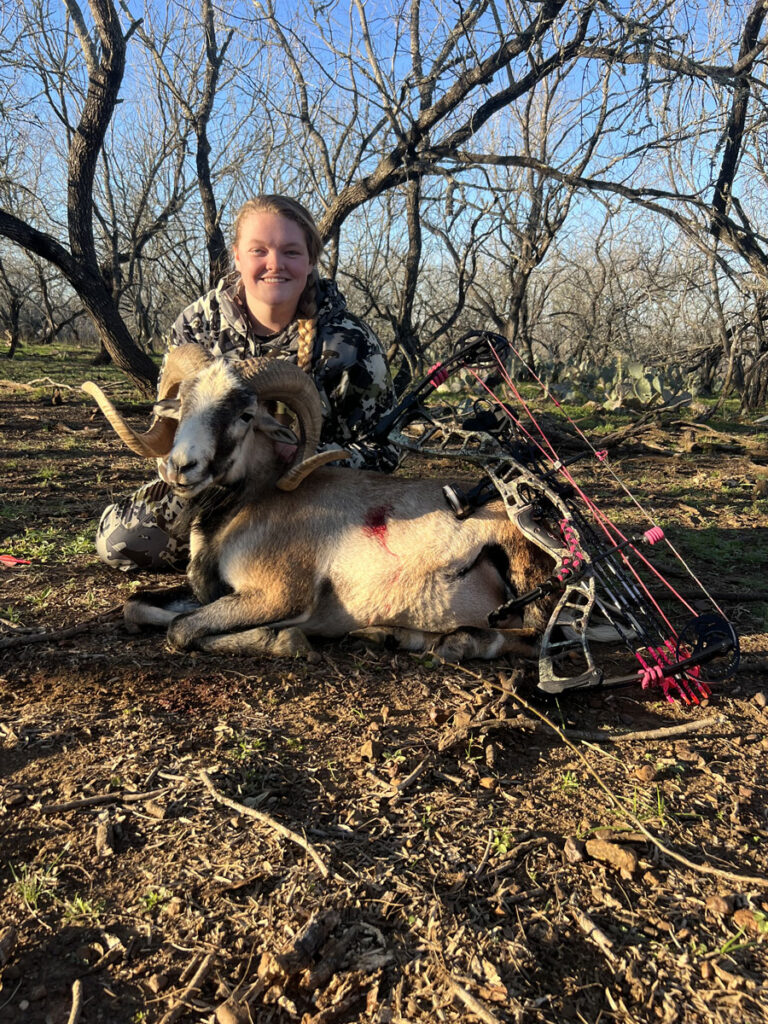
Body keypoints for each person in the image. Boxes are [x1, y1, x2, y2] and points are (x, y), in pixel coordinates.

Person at [96, 194, 399, 571]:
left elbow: (385, 451)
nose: (275, 264)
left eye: (291, 251)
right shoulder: (198, 324)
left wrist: (306, 462)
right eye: (259, 250)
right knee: (121, 542)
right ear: (237, 256)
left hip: (308, 494)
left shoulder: (350, 340)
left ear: (310, 260)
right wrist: (172, 461)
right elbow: (171, 429)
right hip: (213, 482)